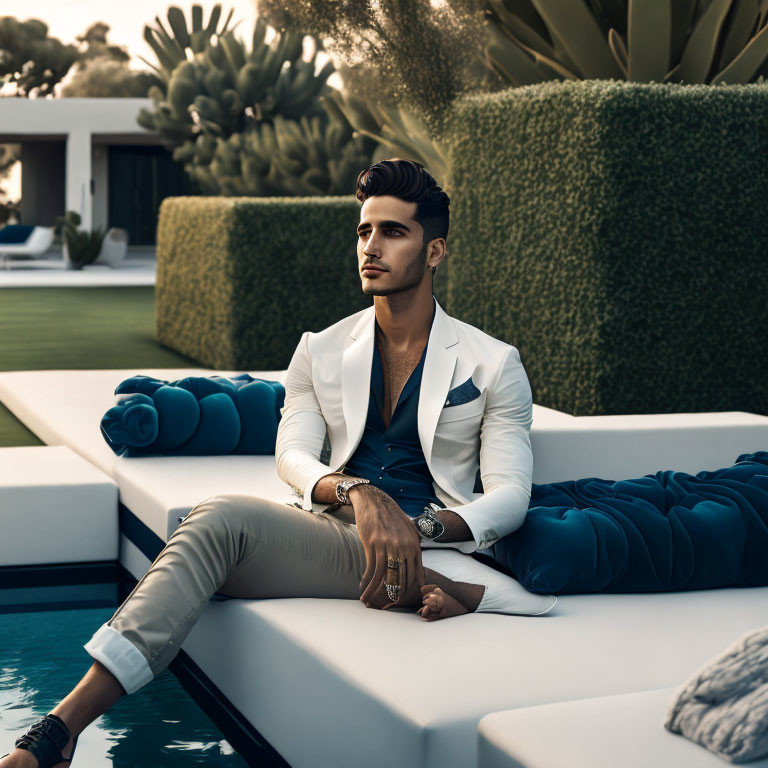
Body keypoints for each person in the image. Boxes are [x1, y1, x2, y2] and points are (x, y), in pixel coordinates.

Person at [1, 158, 554, 768]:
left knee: (217, 520)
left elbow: (510, 496)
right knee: (210, 530)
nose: (371, 247)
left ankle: (57, 732)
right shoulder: (319, 350)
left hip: (430, 542)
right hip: (330, 529)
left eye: (393, 232)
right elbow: (292, 455)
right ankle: (436, 592)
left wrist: (416, 527)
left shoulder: (492, 363)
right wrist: (359, 494)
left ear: (435, 251)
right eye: (364, 231)